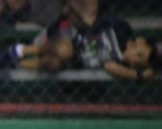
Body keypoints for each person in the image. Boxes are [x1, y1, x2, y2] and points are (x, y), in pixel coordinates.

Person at [12, 14, 157, 82]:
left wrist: (138, 76)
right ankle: (20, 50)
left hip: (74, 59)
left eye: (138, 64)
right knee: (66, 50)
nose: (135, 61)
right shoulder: (123, 31)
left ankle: (14, 64)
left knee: (53, 63)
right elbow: (97, 23)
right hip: (69, 34)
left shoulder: (118, 62)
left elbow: (110, 67)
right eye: (139, 54)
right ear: (139, 41)